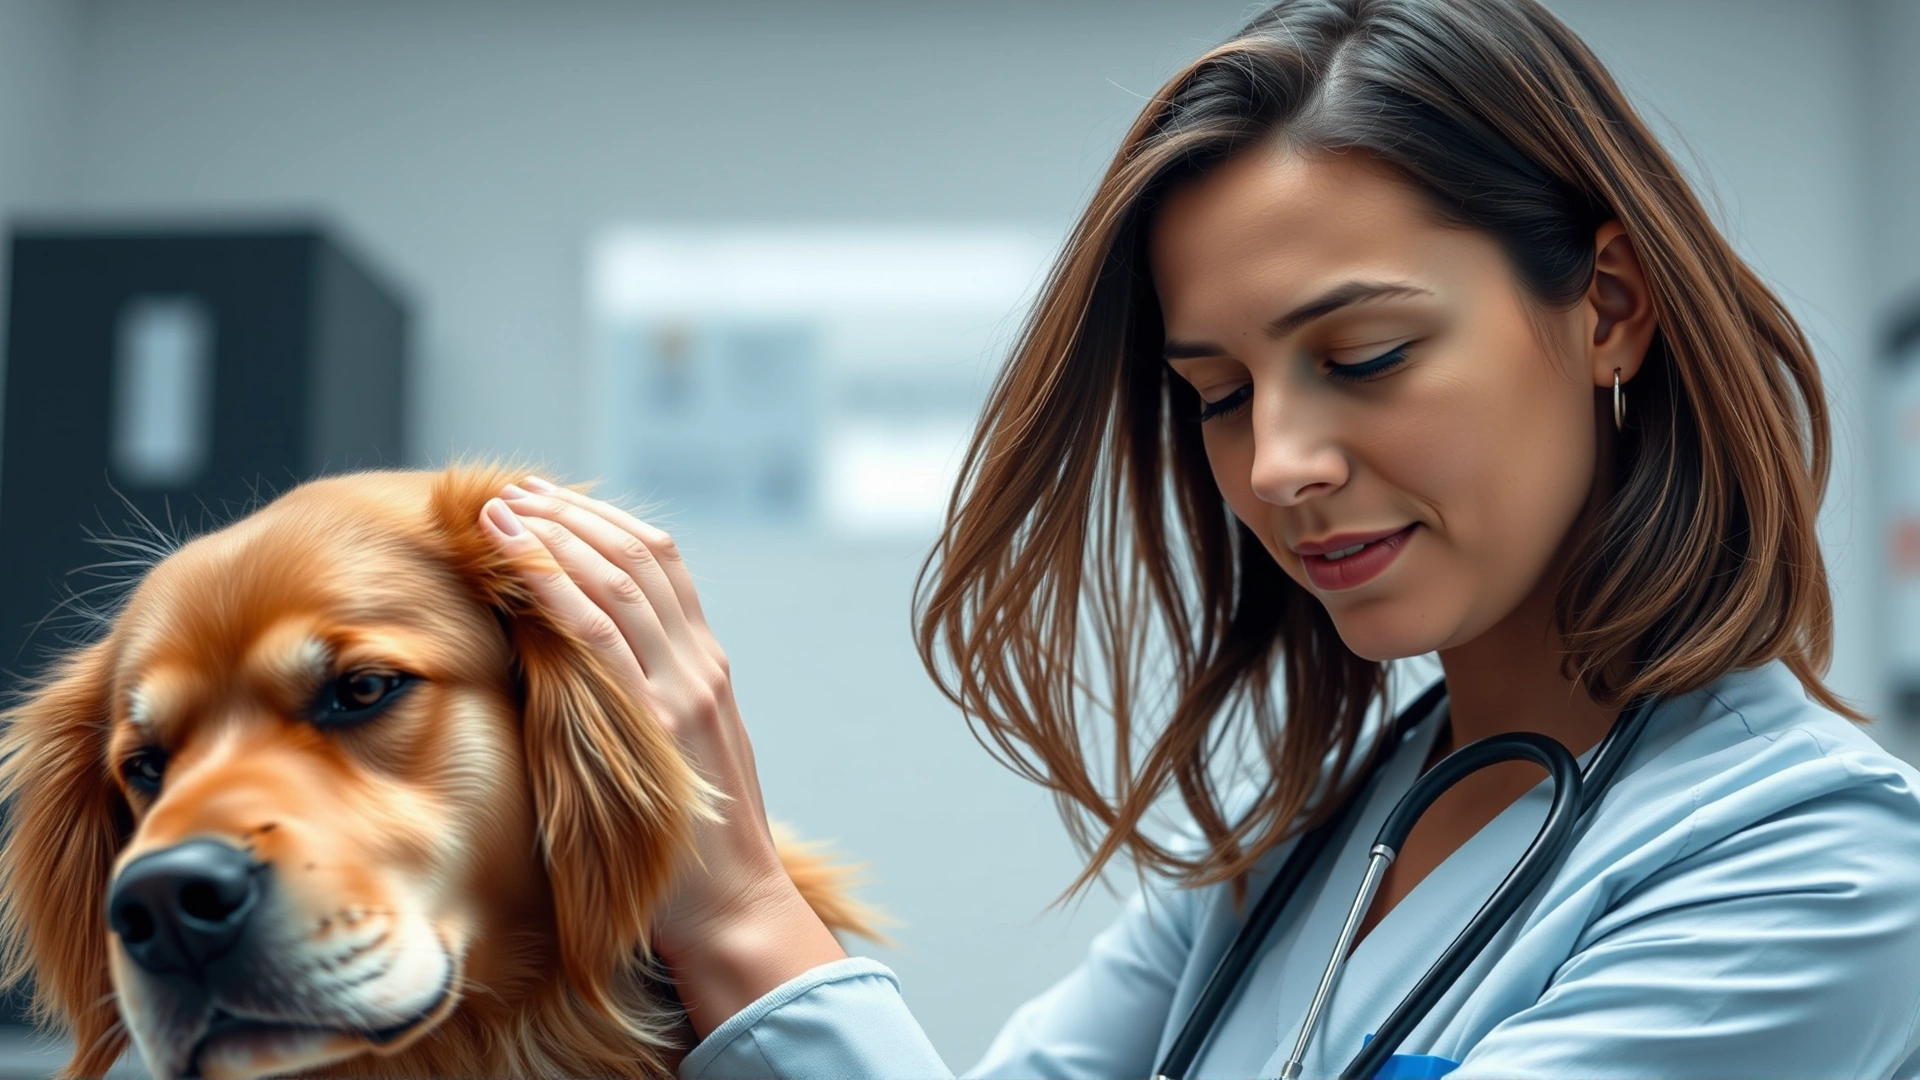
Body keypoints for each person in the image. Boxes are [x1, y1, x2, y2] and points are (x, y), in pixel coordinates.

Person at [476, 0, 1920, 1075]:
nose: (1277, 464)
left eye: (1362, 357)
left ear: (1606, 309)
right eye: (1218, 395)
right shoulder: (1303, 854)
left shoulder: (1817, 872)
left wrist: (739, 906)